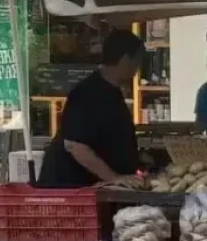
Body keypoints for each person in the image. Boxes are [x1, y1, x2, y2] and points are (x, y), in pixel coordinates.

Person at [38, 29, 145, 187]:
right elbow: (76, 146)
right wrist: (113, 178)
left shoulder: (112, 91)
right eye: (137, 61)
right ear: (125, 60)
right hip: (71, 190)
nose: (137, 69)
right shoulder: (87, 93)